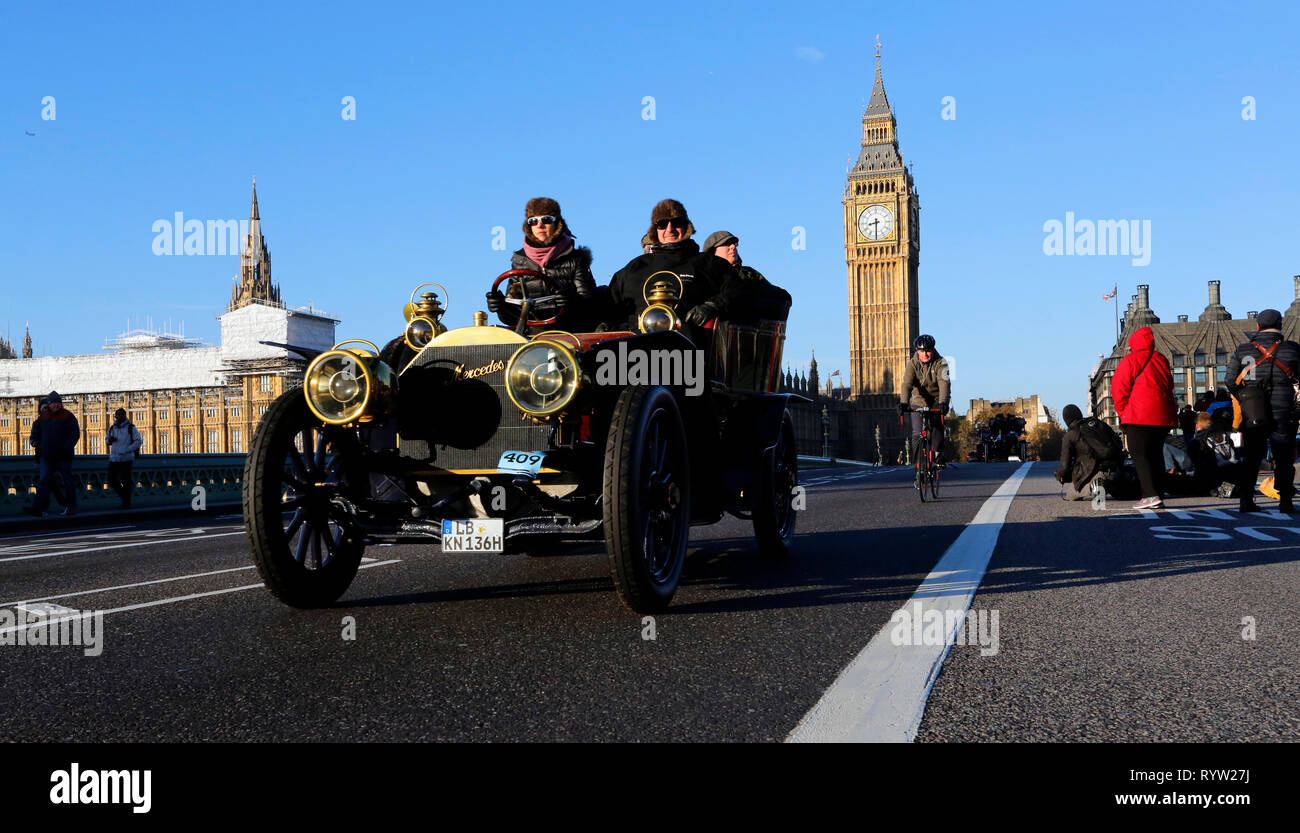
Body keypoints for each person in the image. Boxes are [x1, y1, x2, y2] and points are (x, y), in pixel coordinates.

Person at [607, 199, 734, 335]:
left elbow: (739, 291)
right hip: (638, 351)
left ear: (686, 227)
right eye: (662, 224)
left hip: (692, 349)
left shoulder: (709, 263)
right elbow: (607, 307)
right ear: (655, 230)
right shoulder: (633, 268)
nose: (670, 229)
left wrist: (713, 306)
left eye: (676, 223)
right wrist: (607, 326)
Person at [487, 197, 598, 334]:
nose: (539, 225)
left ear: (557, 223)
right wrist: (500, 306)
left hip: (570, 334)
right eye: (533, 221)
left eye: (546, 219)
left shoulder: (575, 259)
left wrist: (570, 302)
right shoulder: (520, 261)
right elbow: (514, 316)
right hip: (532, 337)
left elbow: (590, 307)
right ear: (529, 227)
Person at [1225, 308, 1300, 512]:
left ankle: (1246, 500)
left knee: (1251, 456)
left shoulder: (1243, 350)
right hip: (1282, 409)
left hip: (1253, 410)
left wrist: (1244, 396)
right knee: (1284, 456)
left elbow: (1230, 380)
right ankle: (1285, 501)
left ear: (1258, 326)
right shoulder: (1292, 349)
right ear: (1281, 326)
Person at [1111, 325, 1177, 510]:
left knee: (1139, 455)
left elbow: (1119, 389)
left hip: (1139, 416)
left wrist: (1123, 412)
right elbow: (1169, 386)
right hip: (1162, 416)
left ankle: (1150, 495)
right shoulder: (1161, 359)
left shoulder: (1129, 361)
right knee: (1156, 455)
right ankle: (1159, 492)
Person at [700, 230, 792, 325]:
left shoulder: (749, 274)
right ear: (712, 251)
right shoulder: (703, 275)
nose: (733, 247)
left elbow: (782, 297)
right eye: (726, 244)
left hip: (746, 331)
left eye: (734, 244)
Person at [24, 390, 81, 517]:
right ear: (49, 404)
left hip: (63, 455)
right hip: (47, 455)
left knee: (67, 481)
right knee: (44, 480)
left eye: (58, 403)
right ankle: (38, 508)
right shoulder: (43, 417)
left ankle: (72, 506)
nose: (56, 405)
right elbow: (35, 434)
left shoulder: (68, 416)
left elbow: (75, 434)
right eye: (53, 403)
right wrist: (39, 445)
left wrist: (66, 447)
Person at [898, 334, 950, 467]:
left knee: (937, 426)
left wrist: (943, 403)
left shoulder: (941, 362)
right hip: (918, 400)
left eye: (928, 351)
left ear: (932, 350)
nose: (925, 354)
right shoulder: (912, 364)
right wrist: (903, 403)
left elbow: (944, 384)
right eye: (922, 351)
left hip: (936, 398)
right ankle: (919, 466)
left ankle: (937, 454)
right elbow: (906, 384)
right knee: (916, 433)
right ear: (917, 351)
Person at [1055, 404, 1123, 500]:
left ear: (1066, 420)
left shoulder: (1070, 435)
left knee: (1071, 493)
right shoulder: (1098, 423)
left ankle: (1093, 487)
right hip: (1116, 468)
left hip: (1094, 472)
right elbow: (1118, 443)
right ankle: (1114, 485)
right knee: (1116, 482)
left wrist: (1059, 476)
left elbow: (1064, 466)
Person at [106, 407, 143, 508]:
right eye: (117, 416)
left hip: (126, 458)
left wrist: (127, 449)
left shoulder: (131, 428)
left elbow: (138, 441)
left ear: (125, 416)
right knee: (111, 480)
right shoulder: (112, 428)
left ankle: (126, 502)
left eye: (121, 415)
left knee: (125, 481)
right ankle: (125, 498)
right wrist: (110, 440)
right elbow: (106, 440)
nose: (119, 417)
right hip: (114, 458)